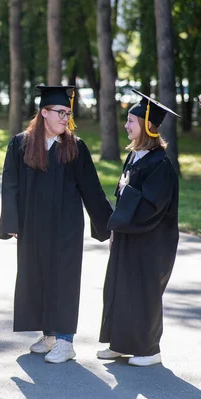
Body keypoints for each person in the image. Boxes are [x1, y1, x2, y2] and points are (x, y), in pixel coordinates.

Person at [0, 84, 113, 364]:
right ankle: (48, 335)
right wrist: (11, 222)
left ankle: (65, 340)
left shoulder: (75, 147)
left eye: (68, 113)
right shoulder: (21, 143)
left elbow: (92, 189)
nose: (65, 118)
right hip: (32, 226)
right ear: (44, 112)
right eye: (60, 112)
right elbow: (10, 184)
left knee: (63, 281)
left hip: (65, 229)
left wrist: (109, 225)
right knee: (35, 277)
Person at [97, 89, 180, 367]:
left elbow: (151, 207)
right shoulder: (135, 157)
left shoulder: (160, 164)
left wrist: (126, 193)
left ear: (146, 125)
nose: (126, 125)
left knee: (142, 291)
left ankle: (148, 350)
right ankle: (120, 344)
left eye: (131, 121)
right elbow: (126, 195)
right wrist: (116, 229)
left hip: (151, 240)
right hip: (128, 235)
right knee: (120, 286)